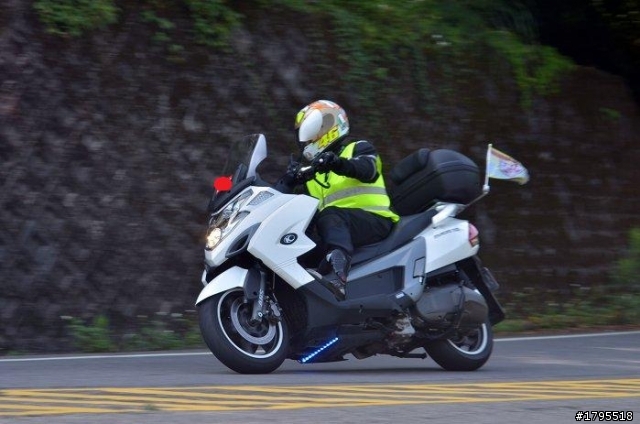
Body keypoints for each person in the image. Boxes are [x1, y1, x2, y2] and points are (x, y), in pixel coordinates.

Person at [275, 100, 399, 297]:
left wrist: (337, 163)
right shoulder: (314, 176)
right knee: (303, 246)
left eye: (313, 132)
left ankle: (337, 274)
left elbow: (368, 170)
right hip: (338, 229)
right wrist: (287, 182)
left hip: (375, 221)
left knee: (330, 214)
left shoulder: (359, 148)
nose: (308, 140)